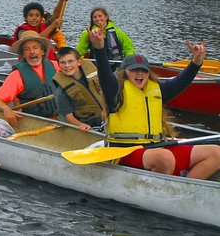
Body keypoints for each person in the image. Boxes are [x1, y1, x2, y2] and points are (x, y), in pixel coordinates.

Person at [92, 28, 220, 179]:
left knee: (216, 153)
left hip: (156, 146)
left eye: (144, 71)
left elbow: (182, 81)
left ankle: (185, 188)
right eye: (134, 70)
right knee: (164, 158)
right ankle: (168, 191)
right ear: (124, 72)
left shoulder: (157, 90)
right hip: (125, 150)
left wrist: (196, 61)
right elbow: (105, 73)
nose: (140, 74)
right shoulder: (115, 92)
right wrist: (99, 49)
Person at [0, 31, 60, 126]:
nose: (32, 52)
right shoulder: (17, 75)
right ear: (23, 54)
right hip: (34, 122)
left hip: (61, 118)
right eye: (27, 49)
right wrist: (6, 109)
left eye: (35, 48)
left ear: (42, 51)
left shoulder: (56, 66)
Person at [52, 46, 105, 132]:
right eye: (63, 63)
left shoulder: (94, 72)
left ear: (79, 62)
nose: (67, 65)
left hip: (107, 115)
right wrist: (81, 125)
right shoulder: (60, 91)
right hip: (90, 123)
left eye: (70, 61)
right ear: (58, 65)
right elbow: (69, 117)